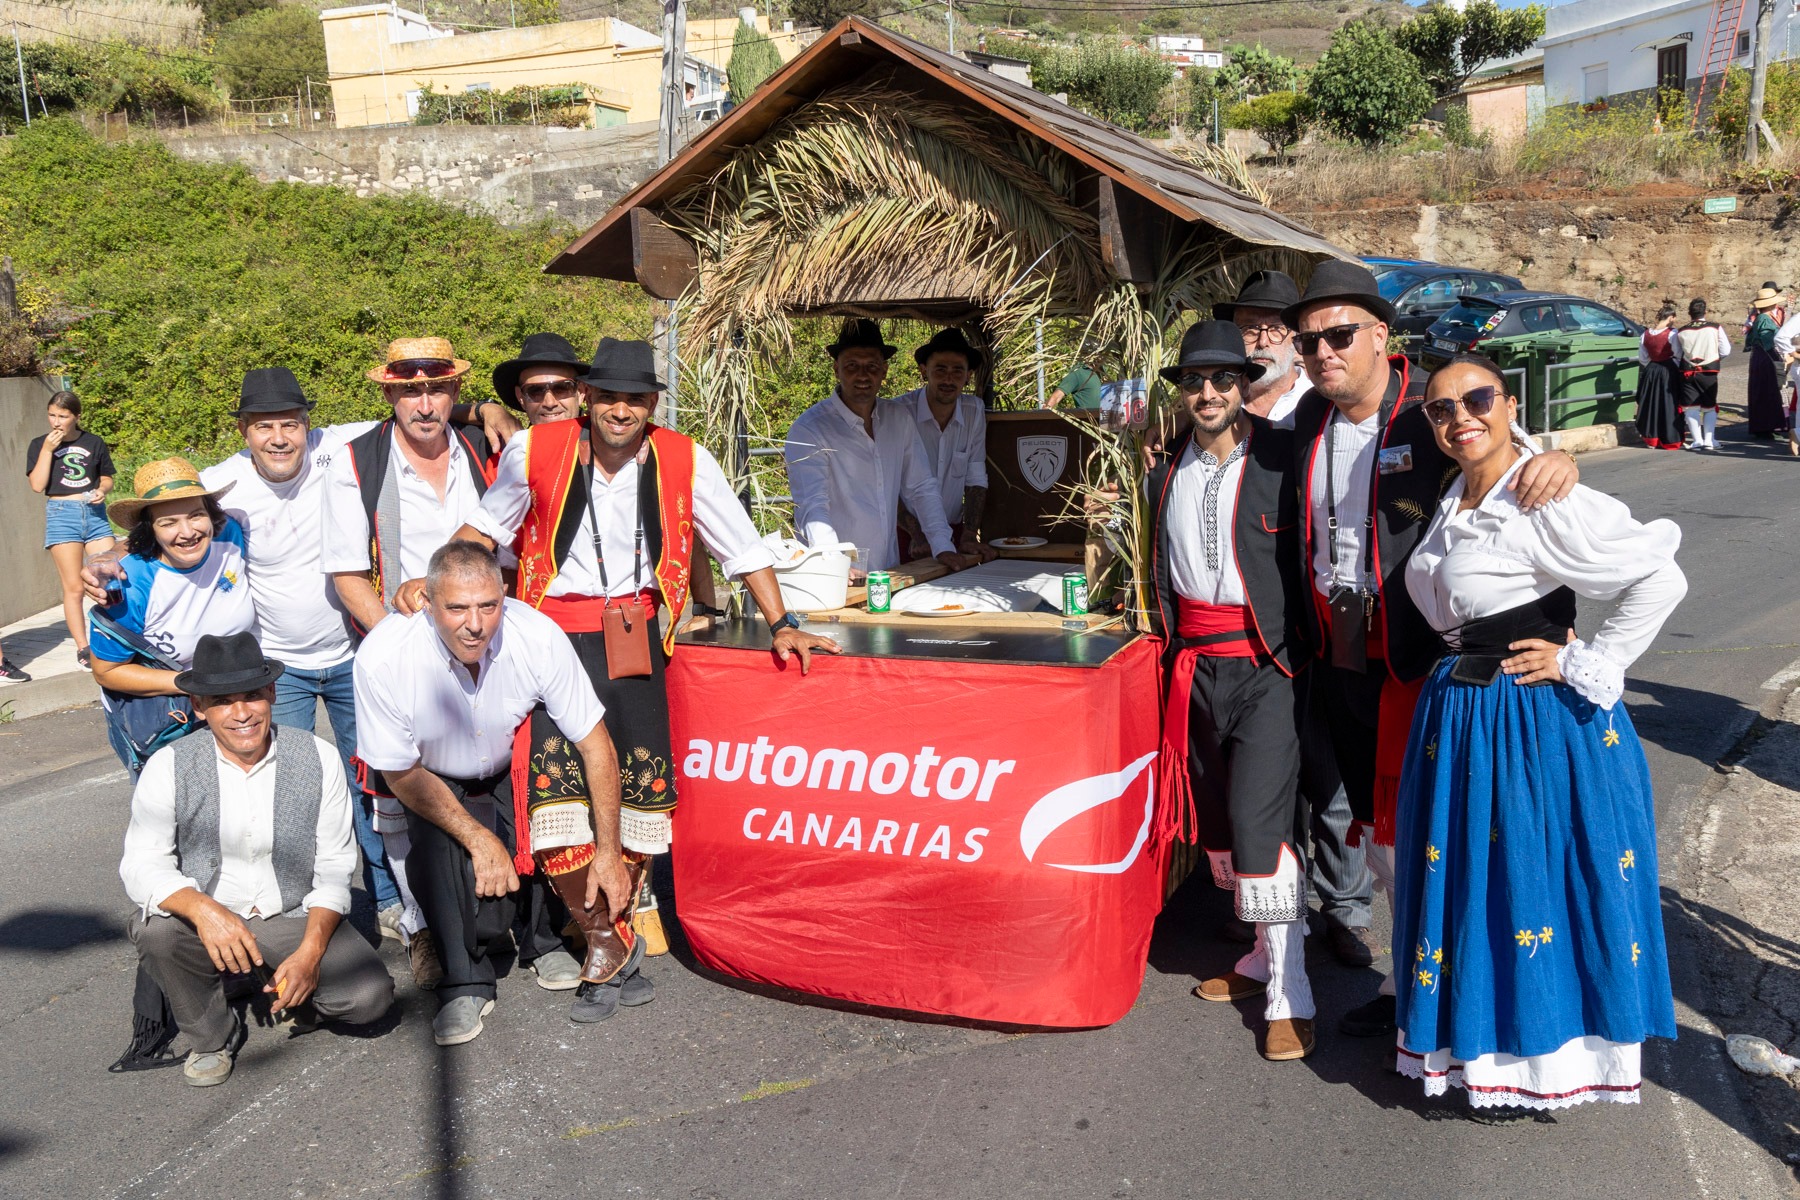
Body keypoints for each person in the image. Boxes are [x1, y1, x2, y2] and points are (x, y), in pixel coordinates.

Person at [455, 336, 840, 958]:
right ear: (588, 396)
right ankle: (600, 933)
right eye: (609, 395)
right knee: (554, 790)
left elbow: (740, 546)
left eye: (635, 399)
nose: (620, 409)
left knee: (641, 788)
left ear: (653, 404)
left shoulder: (686, 459)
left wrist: (782, 622)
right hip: (549, 638)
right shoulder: (536, 449)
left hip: (634, 638)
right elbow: (482, 533)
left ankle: (620, 917)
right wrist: (437, 589)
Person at [1284, 261, 1579, 1040]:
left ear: (1381, 335)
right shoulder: (1309, 418)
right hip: (1339, 659)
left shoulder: (1434, 410)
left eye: (1339, 335)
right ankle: (1414, 984)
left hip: (1421, 665)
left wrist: (1553, 459)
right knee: (1382, 836)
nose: (1323, 352)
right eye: (1308, 341)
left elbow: (1505, 458)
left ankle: (1470, 998)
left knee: (1439, 833)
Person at [1393, 353, 1683, 1112]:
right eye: (1441, 409)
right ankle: (1476, 1047)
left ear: (1509, 403)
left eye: (1477, 399)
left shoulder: (1540, 497)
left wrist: (1587, 661)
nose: (1460, 418)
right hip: (1465, 716)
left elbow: (1660, 577)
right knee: (1476, 884)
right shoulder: (1454, 494)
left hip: (1531, 716)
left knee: (1534, 878)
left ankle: (1545, 1060)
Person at [353, 541, 637, 1042]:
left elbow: (596, 744)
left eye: (488, 606)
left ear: (504, 597)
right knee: (441, 850)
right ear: (426, 603)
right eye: (457, 608)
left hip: (512, 761)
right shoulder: (383, 657)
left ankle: (544, 940)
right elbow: (401, 774)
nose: (475, 624)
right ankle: (465, 982)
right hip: (430, 774)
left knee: (554, 756)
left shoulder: (536, 635)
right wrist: (479, 839)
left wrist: (609, 852)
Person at [1145, 321, 1317, 1062]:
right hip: (1194, 669)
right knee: (1219, 819)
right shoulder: (1161, 470)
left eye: (1222, 379)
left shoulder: (1285, 453)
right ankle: (1259, 956)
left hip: (1267, 667)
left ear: (1244, 385)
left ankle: (1291, 993)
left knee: (1259, 824)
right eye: (1194, 381)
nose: (1208, 393)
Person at [322, 337, 517, 987]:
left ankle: (496, 908)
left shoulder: (484, 448)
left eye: (437, 388)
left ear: (456, 391)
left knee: (492, 773)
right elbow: (349, 576)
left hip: (486, 642)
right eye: (410, 391)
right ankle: (422, 924)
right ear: (388, 393)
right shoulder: (356, 462)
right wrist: (398, 648)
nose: (425, 403)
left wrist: (491, 410)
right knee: (398, 794)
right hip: (402, 647)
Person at [120, 632, 395, 1087]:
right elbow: (141, 864)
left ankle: (270, 978)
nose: (242, 713)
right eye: (222, 702)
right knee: (157, 931)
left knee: (369, 998)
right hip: (207, 919)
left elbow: (334, 866)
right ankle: (212, 1036)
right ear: (199, 707)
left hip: (289, 911)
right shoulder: (169, 765)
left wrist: (309, 954)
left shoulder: (317, 756)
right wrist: (205, 911)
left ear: (271, 694)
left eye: (251, 696)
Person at [1219, 269, 1370, 961]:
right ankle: (1279, 913)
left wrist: (1545, 461)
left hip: (1333, 623)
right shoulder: (1217, 411)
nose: (1260, 341)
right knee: (1274, 781)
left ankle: (1346, 909)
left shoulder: (1322, 403)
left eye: (1274, 329)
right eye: (1246, 328)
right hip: (1263, 633)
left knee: (1333, 777)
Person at [90, 458, 258, 770]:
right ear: (150, 529)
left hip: (233, 705)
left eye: (196, 515)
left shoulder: (229, 536)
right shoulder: (130, 584)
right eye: (168, 523)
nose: (187, 532)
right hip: (166, 720)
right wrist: (196, 684)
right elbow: (107, 671)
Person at [784, 319, 974, 575]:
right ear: (836, 369)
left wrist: (942, 545)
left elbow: (921, 486)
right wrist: (835, 563)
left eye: (872, 366)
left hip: (887, 571)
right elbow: (812, 505)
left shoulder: (898, 418)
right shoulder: (810, 428)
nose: (863, 375)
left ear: (884, 370)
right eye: (852, 366)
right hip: (833, 575)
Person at [26, 390, 116, 670]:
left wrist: (102, 490)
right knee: (74, 587)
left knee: (110, 579)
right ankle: (83, 648)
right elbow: (37, 485)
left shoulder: (93, 442)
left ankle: (117, 639)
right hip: (61, 514)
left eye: (63, 416)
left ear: (76, 416)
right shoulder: (39, 444)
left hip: (94, 514)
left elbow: (107, 478)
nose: (56, 421)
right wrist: (47, 450)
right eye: (52, 415)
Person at [891, 328, 991, 562]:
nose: (948, 379)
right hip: (904, 535)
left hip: (954, 532)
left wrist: (969, 535)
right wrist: (917, 534)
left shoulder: (973, 410)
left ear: (968, 375)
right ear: (924, 371)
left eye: (957, 371)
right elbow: (887, 482)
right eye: (940, 369)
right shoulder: (899, 412)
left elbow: (976, 479)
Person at [1217, 271, 1313, 428]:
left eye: (1276, 328)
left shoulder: (1320, 406)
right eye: (1250, 328)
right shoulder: (1215, 402)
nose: (1262, 342)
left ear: (1296, 336)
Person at [491, 332, 588, 426]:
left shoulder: (597, 435)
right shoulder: (510, 437)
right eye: (535, 391)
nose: (549, 403)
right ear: (520, 397)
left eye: (561, 389)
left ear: (580, 392)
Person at [1675, 298, 1729, 452]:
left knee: (1691, 407)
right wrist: (1714, 359)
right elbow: (1726, 350)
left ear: (1689, 313)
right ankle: (1709, 440)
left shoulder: (1682, 331)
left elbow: (1677, 353)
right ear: (1705, 311)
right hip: (1708, 371)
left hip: (1688, 371)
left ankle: (1697, 440)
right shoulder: (1715, 327)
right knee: (1709, 406)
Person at [1634, 303, 1683, 452]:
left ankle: (1652, 438)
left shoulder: (1645, 334)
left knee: (1651, 404)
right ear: (1670, 317)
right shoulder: (1672, 333)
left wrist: (1652, 365)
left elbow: (1643, 357)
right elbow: (1678, 353)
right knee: (1668, 404)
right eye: (1674, 318)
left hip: (1651, 370)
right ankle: (1669, 439)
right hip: (1668, 370)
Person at [1745, 287, 1788, 440]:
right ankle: (1767, 427)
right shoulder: (1764, 319)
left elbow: (1750, 340)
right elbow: (1767, 341)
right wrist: (1778, 358)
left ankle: (1764, 427)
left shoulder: (1760, 318)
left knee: (1761, 391)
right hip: (1766, 358)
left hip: (1759, 357)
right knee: (1768, 391)